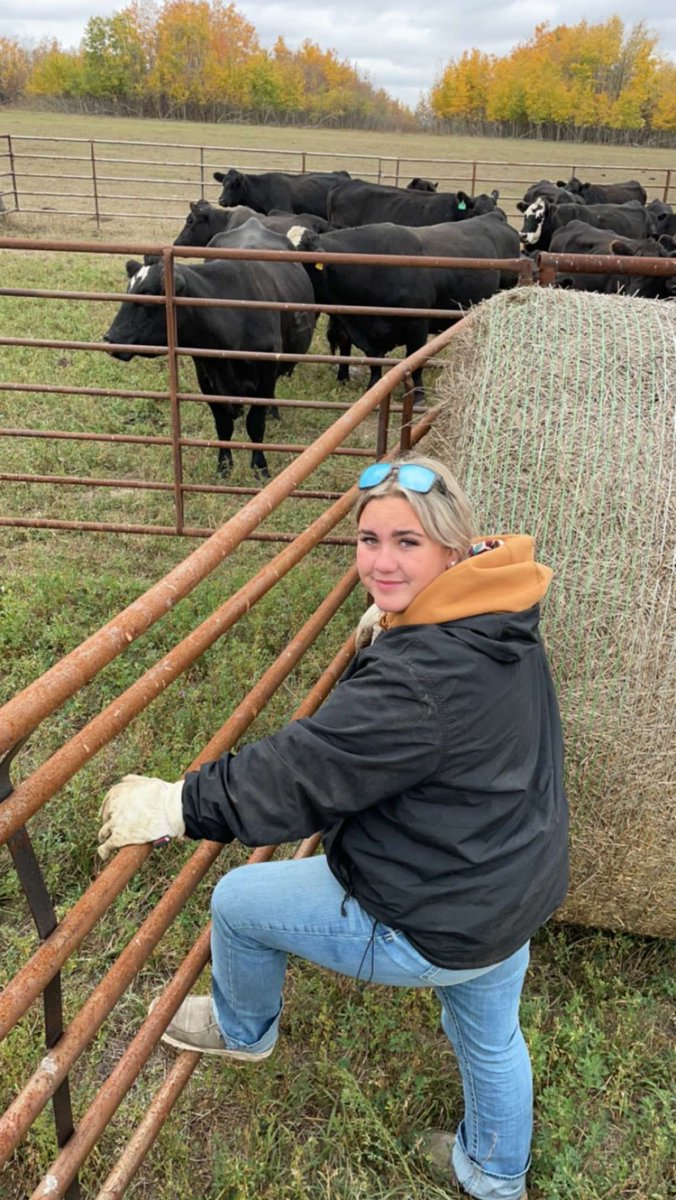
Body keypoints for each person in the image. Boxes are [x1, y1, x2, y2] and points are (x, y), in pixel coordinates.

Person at [98, 453, 568, 1200]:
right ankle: (494, 1175)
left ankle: (242, 1029)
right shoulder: (498, 609)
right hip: (513, 885)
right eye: (369, 539)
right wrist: (400, 620)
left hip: (435, 911)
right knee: (489, 1036)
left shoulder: (420, 678)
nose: (381, 561)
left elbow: (302, 772)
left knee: (238, 904)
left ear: (452, 547)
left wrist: (178, 805)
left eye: (407, 543)